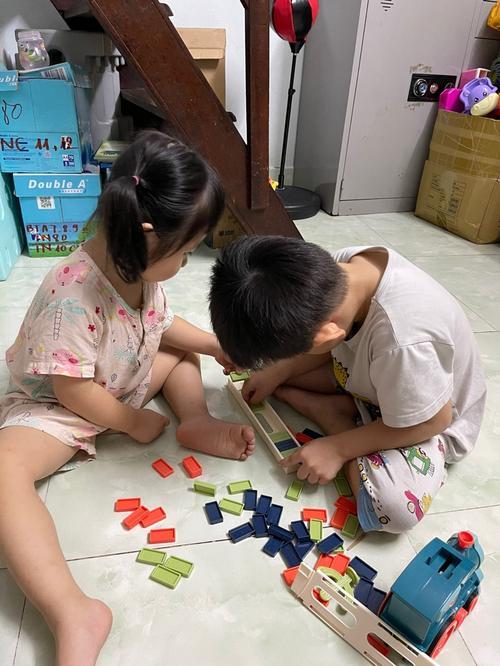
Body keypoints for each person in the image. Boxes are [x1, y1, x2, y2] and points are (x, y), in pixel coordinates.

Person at [0, 131, 255, 666]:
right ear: (144, 236)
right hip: (60, 406)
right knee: (3, 472)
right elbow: (71, 389)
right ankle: (73, 611)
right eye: (185, 253)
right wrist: (129, 422)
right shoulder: (70, 293)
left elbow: (159, 325)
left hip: (120, 370)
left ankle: (196, 420)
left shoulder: (135, 264)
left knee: (183, 356)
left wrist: (214, 345)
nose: (186, 265)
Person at [210, 235, 486, 534]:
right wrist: (278, 371)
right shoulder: (339, 269)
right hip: (377, 376)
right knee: (275, 377)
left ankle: (336, 417)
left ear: (327, 336)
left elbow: (435, 419)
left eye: (300, 350)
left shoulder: (404, 341)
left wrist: (338, 448)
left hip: (428, 419)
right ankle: (340, 403)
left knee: (392, 509)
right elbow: (331, 345)